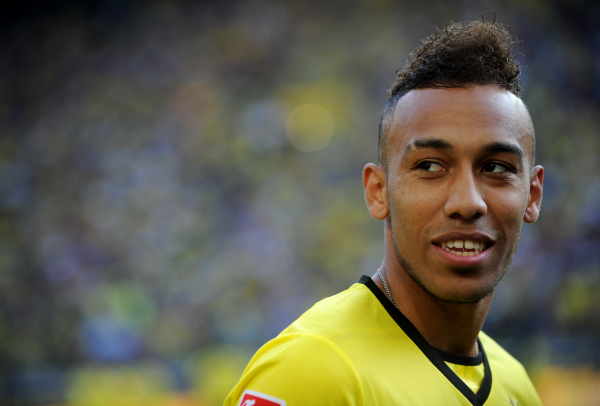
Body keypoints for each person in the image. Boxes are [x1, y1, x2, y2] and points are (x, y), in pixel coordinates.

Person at [225, 18, 544, 406]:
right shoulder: (311, 370)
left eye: (496, 167)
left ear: (532, 194)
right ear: (378, 193)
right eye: (430, 166)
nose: (468, 202)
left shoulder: (517, 388)